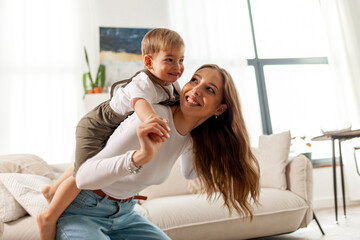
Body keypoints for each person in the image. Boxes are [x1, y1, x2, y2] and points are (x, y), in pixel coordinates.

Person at [55, 64, 261, 240]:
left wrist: (218, 144)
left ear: (219, 110)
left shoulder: (192, 138)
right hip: (83, 209)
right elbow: (83, 176)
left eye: (209, 89)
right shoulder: (150, 119)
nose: (196, 90)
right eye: (194, 80)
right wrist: (140, 157)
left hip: (126, 213)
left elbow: (190, 173)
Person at [36, 28, 185, 240]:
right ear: (149, 63)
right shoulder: (143, 82)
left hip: (113, 127)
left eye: (181, 59)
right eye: (169, 60)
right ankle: (49, 217)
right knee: (84, 173)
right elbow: (140, 103)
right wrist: (151, 118)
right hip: (96, 125)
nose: (177, 67)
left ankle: (52, 189)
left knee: (95, 159)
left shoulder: (172, 84)